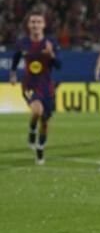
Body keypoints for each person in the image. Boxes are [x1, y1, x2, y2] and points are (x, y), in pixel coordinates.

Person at [9, 9, 62, 165]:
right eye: (33, 22)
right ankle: (32, 129)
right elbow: (16, 58)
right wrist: (13, 73)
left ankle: (40, 146)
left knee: (45, 121)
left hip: (46, 86)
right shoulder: (23, 43)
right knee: (37, 111)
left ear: (44, 25)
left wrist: (51, 55)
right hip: (29, 84)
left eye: (38, 22)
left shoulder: (50, 42)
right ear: (28, 25)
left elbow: (59, 65)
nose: (35, 25)